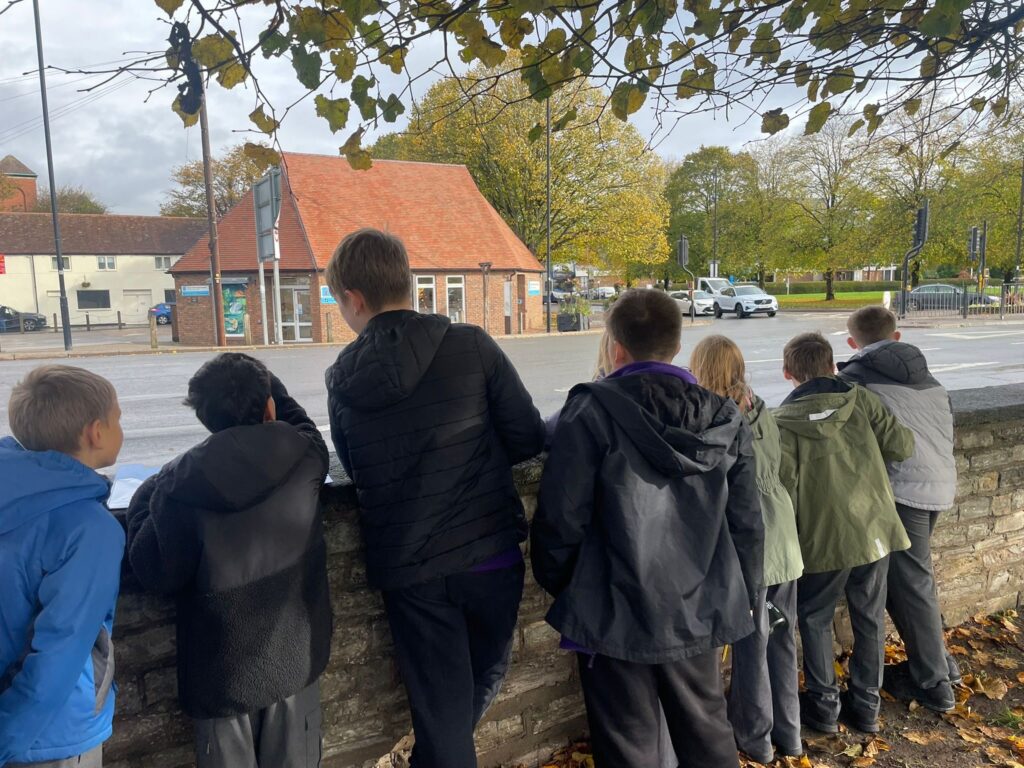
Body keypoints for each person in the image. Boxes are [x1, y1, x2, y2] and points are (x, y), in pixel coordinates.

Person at [324, 229, 545, 768]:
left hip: (411, 570)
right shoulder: (472, 345)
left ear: (354, 299)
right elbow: (527, 437)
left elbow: (353, 464)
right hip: (488, 552)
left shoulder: (343, 377)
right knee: (482, 679)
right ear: (408, 280)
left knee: (441, 709)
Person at [532, 289, 764, 768]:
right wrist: (740, 593)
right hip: (699, 602)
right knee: (707, 733)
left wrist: (574, 590)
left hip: (611, 605)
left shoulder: (589, 411)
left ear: (616, 348)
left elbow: (560, 520)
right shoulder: (725, 416)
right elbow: (746, 522)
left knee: (627, 743)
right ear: (677, 346)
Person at [125, 353, 330, 768]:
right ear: (270, 406)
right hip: (294, 657)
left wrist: (147, 496)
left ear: (204, 418)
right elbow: (300, 421)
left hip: (222, 676)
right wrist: (266, 382)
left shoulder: (179, 485)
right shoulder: (305, 454)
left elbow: (155, 570)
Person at [774, 332, 914, 735]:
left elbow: (783, 486)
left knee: (814, 616)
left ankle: (823, 706)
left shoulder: (781, 423)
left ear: (787, 372)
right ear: (832, 366)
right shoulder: (862, 401)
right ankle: (867, 706)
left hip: (820, 537)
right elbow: (902, 446)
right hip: (873, 529)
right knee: (869, 615)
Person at [0, 365, 126, 768]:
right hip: (48, 735)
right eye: (118, 419)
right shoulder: (89, 529)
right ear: (96, 433)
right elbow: (60, 651)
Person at [838, 306, 960, 712]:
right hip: (939, 484)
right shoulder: (929, 377)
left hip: (903, 491)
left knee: (912, 585)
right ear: (896, 336)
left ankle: (935, 683)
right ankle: (941, 666)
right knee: (907, 583)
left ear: (852, 342)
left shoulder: (857, 380)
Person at [690, 335, 804, 765]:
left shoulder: (712, 420)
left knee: (753, 646)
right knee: (782, 640)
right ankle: (790, 733)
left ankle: (757, 740)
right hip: (784, 536)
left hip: (751, 543)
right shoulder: (761, 409)